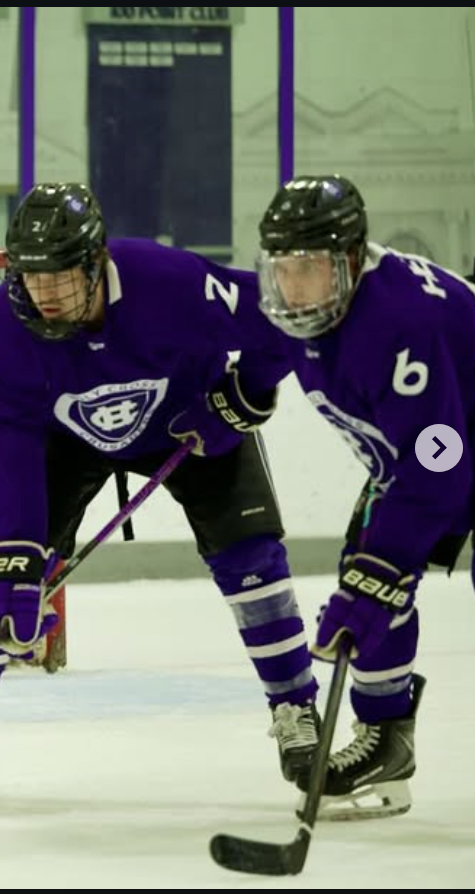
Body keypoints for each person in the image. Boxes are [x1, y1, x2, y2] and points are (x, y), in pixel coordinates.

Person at [0, 182, 321, 802]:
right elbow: (10, 439)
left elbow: (281, 316)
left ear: (97, 263)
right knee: (3, 568)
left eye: (61, 277)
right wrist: (18, 552)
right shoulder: (4, 328)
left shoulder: (167, 280)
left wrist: (243, 396)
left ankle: (295, 707)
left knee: (251, 556)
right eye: (31, 277)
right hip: (69, 439)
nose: (43, 295)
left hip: (190, 421)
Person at [255, 174, 474, 819]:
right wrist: (236, 397)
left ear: (350, 261)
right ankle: (385, 741)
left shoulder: (399, 322)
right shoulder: (298, 308)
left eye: (310, 270)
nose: (294, 289)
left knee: (376, 575)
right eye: (283, 270)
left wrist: (387, 568)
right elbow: (269, 346)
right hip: (430, 455)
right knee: (367, 572)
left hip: (449, 450)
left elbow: (443, 458)